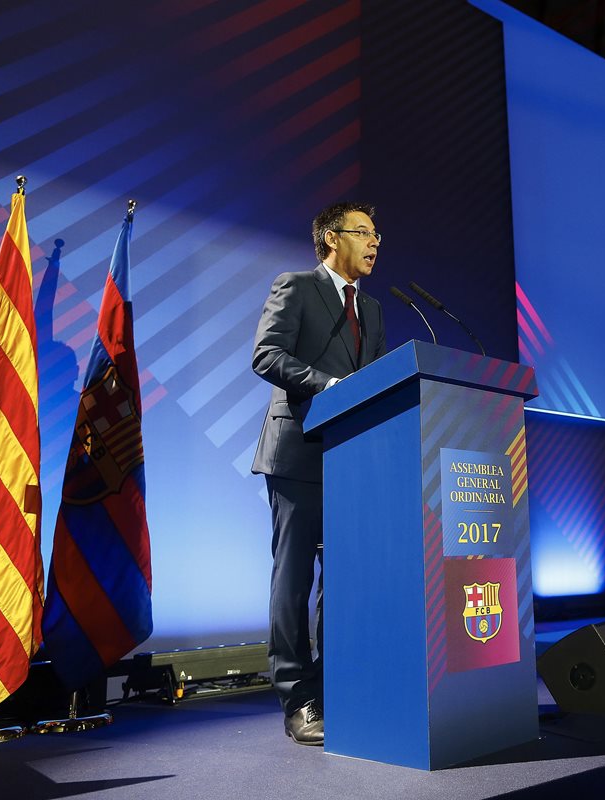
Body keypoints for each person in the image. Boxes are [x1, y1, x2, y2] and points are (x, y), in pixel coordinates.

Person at [251, 202, 387, 746]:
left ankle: (338, 690)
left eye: (377, 235)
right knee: (294, 581)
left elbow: (378, 378)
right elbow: (266, 355)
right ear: (332, 238)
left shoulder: (372, 308)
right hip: (298, 453)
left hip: (351, 458)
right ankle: (297, 698)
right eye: (364, 233)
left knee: (345, 582)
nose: (375, 243)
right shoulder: (297, 286)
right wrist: (327, 386)